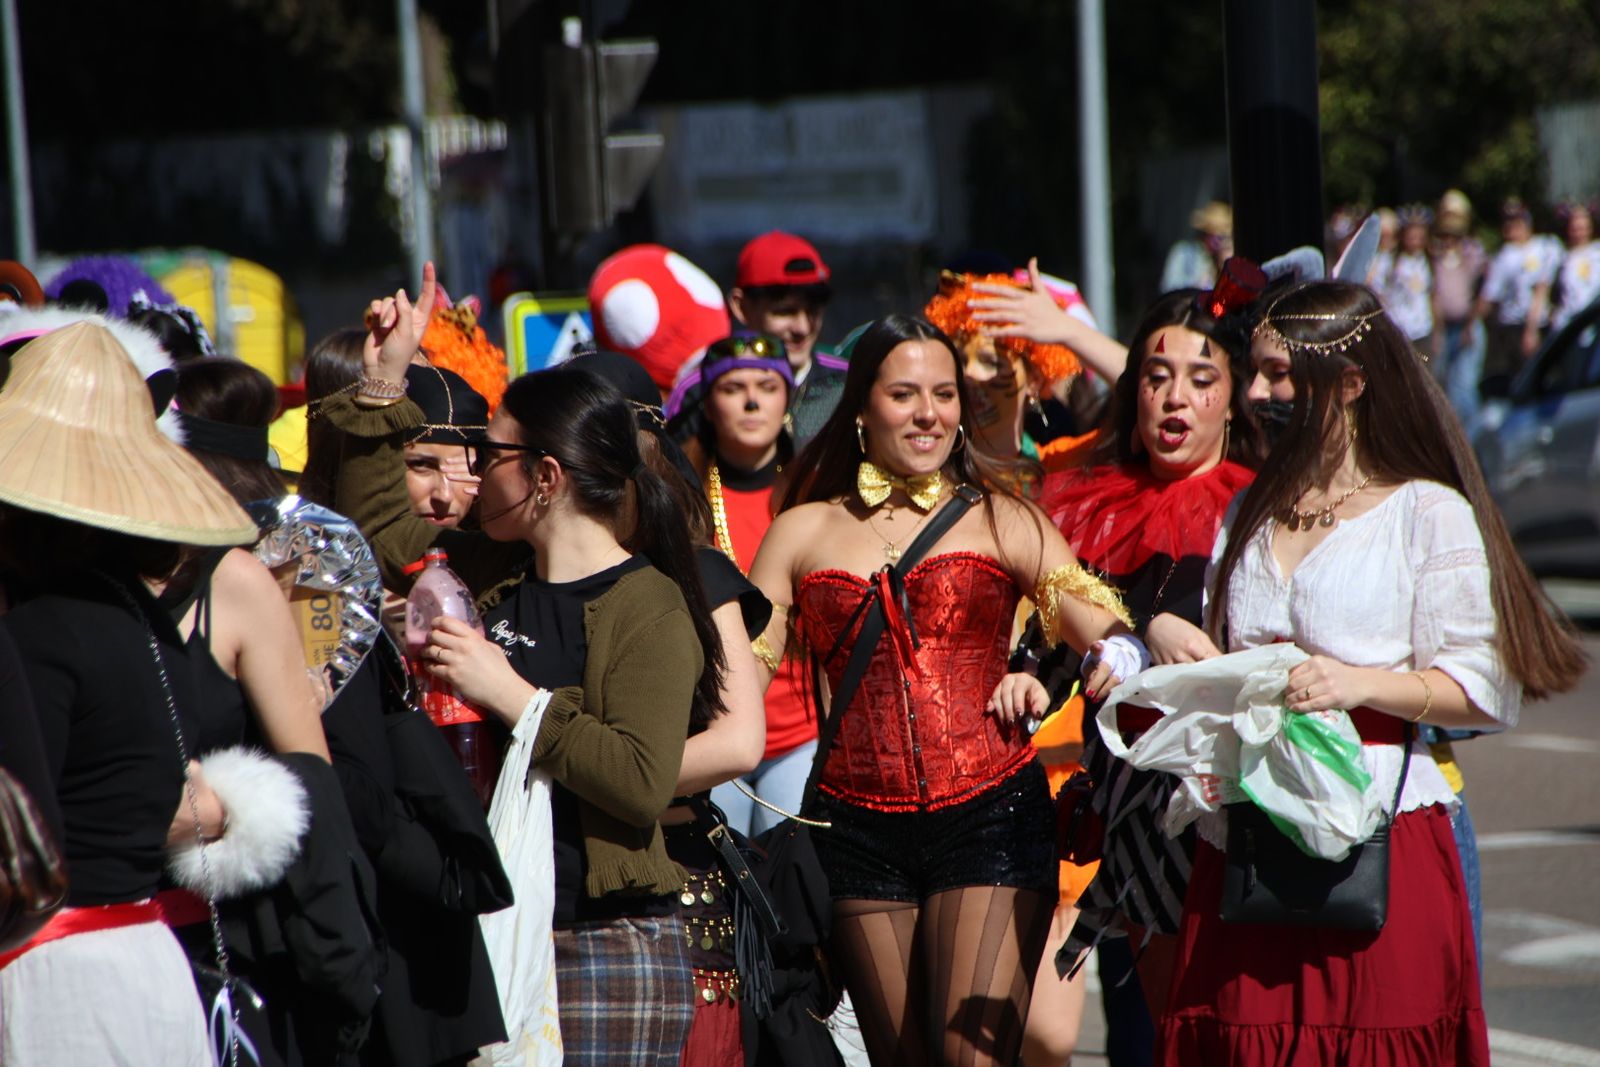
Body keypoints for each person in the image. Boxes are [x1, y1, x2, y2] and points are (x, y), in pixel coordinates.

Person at [1157, 280, 1585, 1064]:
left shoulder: (1425, 512)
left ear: (1350, 383)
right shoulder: (1247, 510)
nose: (1257, 393)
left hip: (1378, 835)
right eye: (1255, 372)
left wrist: (1359, 683)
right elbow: (1231, 661)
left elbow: (1481, 687)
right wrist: (1170, 638)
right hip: (1250, 838)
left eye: (1280, 374)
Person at [746, 314, 1142, 1067]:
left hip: (990, 816)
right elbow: (741, 672)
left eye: (944, 393)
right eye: (904, 393)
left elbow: (1105, 623)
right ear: (860, 407)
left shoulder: (1003, 516)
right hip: (854, 831)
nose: (929, 412)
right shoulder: (798, 530)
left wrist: (1118, 654)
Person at [0, 321, 265, 1066]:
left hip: (60, 976)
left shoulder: (43, 634)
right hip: (146, 959)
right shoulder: (144, 617)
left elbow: (25, 832)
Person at [1021, 273, 1265, 1067]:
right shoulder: (1089, 503)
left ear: (1235, 396)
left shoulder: (1261, 507)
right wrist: (1032, 674)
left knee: (1240, 1022)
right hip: (1136, 813)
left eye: (1201, 380)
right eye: (1156, 378)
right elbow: (1059, 641)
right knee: (1171, 1030)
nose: (1174, 400)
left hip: (1245, 804)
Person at [665, 232, 850, 444]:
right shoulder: (698, 391)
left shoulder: (845, 383)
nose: (803, 328)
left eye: (813, 312)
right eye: (784, 312)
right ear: (741, 306)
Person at [1474, 198, 1560, 389]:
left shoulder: (1546, 246)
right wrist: (1472, 323)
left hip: (1538, 324)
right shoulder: (1503, 255)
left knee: (1542, 378)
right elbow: (1489, 296)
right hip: (1511, 328)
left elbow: (1543, 289)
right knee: (1517, 381)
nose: (1511, 227)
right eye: (1508, 222)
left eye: (1517, 221)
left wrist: (1532, 329)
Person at [1377, 205, 1434, 349]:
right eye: (1411, 237)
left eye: (1420, 237)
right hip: (1400, 330)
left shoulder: (1426, 261)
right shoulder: (1389, 261)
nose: (1415, 241)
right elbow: (1378, 290)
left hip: (1423, 329)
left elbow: (1430, 295)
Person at [1160, 202, 1232, 293]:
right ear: (1206, 233)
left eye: (1223, 236)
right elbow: (1169, 287)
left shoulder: (1224, 258)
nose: (1219, 241)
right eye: (1215, 235)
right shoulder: (1184, 252)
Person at [1551, 201, 1600, 332]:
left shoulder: (1597, 252)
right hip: (1567, 324)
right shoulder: (1562, 257)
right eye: (1575, 229)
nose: (1579, 233)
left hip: (1593, 324)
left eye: (1583, 228)